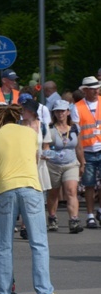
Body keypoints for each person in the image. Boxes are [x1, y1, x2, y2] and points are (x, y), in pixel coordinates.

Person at [0, 104, 60, 294]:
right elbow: (35, 160)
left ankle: (3, 292)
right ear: (16, 117)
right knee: (38, 243)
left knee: (3, 244)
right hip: (30, 187)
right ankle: (44, 291)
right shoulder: (30, 133)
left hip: (5, 189)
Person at [45, 100, 85, 233]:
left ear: (68, 112)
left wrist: (82, 162)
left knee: (71, 191)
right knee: (54, 193)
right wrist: (49, 155)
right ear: (54, 113)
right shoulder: (50, 129)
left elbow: (79, 147)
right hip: (54, 165)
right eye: (57, 111)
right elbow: (45, 148)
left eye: (63, 111)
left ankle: (74, 220)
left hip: (71, 164)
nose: (60, 113)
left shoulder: (75, 128)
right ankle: (52, 218)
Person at [70, 76, 101, 228]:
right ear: (85, 90)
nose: (96, 90)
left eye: (97, 87)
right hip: (87, 150)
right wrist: (81, 159)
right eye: (92, 88)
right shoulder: (77, 107)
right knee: (89, 185)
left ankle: (100, 210)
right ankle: (90, 215)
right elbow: (77, 134)